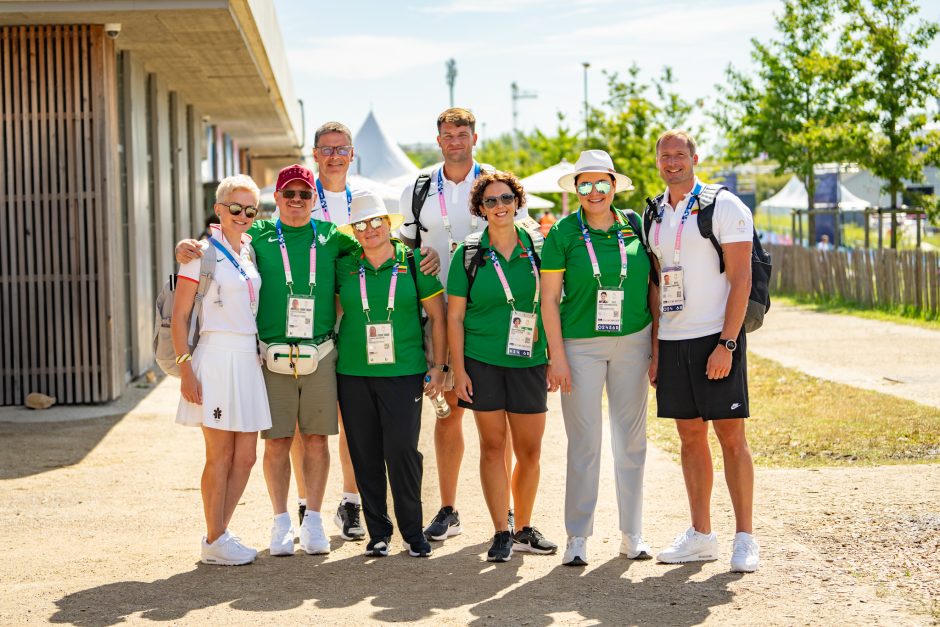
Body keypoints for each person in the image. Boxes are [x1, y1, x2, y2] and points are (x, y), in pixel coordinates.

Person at [176, 164, 357, 557]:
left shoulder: (331, 236)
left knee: (313, 440)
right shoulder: (254, 235)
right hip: (267, 356)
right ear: (275, 199)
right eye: (288, 195)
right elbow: (211, 250)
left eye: (304, 195)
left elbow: (376, 246)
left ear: (314, 199)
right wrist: (186, 247)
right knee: (275, 442)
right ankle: (277, 524)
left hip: (315, 352)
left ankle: (312, 522)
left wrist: (421, 255)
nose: (296, 201)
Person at [398, 107, 514, 541]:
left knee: (496, 418)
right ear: (439, 139)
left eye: (461, 133)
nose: (454, 141)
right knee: (448, 413)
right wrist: (419, 258)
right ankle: (448, 508)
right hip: (438, 312)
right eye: (447, 134)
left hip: (488, 313)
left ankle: (507, 512)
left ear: (474, 137)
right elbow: (406, 247)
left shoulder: (494, 185)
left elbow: (516, 242)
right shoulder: (420, 187)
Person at [648, 129, 759, 573]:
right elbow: (656, 284)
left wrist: (728, 343)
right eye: (665, 155)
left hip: (716, 337)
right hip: (674, 342)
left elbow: (741, 279)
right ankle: (701, 535)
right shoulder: (653, 212)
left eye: (680, 154)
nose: (672, 161)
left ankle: (746, 538)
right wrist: (657, 348)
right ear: (657, 161)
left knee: (731, 438)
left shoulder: (724, 206)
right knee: (689, 439)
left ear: (695, 157)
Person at [541, 150, 656, 567]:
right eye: (584, 184)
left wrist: (656, 346)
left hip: (634, 342)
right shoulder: (563, 233)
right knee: (585, 442)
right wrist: (557, 357)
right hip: (580, 346)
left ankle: (632, 533)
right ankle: (577, 536)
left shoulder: (635, 224)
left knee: (631, 441)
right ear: (576, 189)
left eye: (601, 183)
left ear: (613, 183)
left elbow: (653, 287)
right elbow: (549, 300)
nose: (593, 192)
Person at [448, 170, 558, 563]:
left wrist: (553, 357)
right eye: (490, 201)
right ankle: (500, 530)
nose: (499, 206)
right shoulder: (469, 253)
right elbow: (455, 317)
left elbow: (552, 305)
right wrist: (458, 371)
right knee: (493, 447)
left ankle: (524, 527)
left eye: (506, 198)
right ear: (480, 208)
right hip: (483, 361)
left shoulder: (541, 247)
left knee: (529, 450)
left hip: (530, 360)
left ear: (517, 202)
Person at [334, 193, 447, 558]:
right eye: (361, 225)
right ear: (354, 231)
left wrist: (439, 366)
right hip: (353, 373)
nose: (369, 230)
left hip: (404, 372)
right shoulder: (345, 266)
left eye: (375, 222)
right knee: (364, 454)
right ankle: (378, 532)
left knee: (401, 451)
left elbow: (439, 317)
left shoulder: (415, 263)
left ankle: (413, 532)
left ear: (388, 224)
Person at [172, 174, 271, 565]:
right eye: (236, 208)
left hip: (248, 359)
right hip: (215, 358)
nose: (243, 215)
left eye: (251, 209)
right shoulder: (199, 253)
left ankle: (219, 535)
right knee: (219, 455)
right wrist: (186, 371)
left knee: (245, 456)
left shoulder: (249, 250)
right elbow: (180, 317)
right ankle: (214, 538)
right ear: (219, 210)